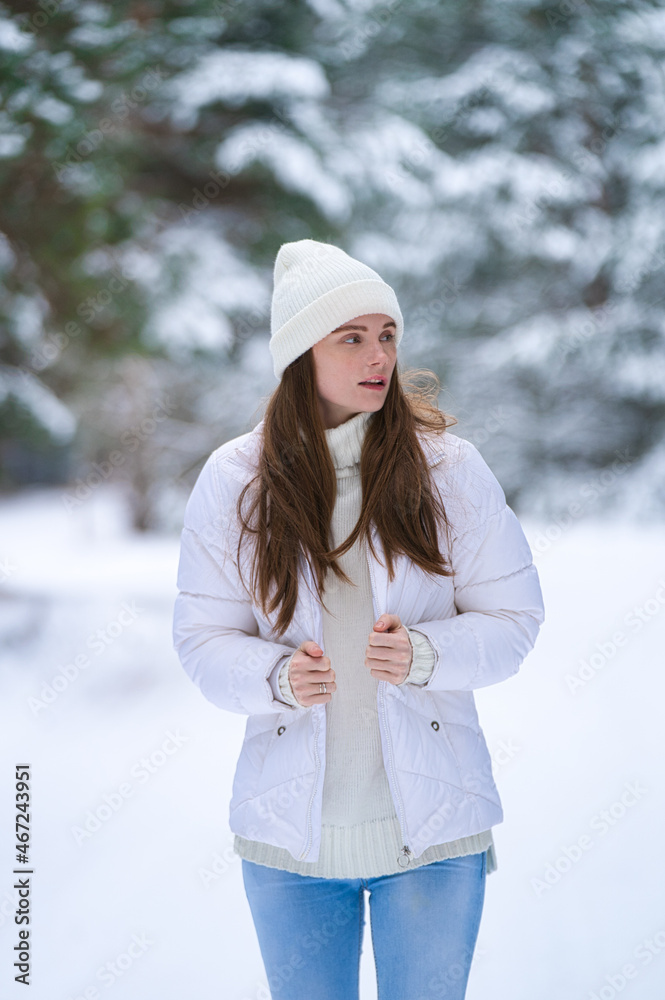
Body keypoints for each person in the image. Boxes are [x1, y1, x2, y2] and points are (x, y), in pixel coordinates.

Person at [172, 238, 545, 1000]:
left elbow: (513, 619)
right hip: (290, 853)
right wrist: (274, 676)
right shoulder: (235, 480)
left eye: (387, 335)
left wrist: (426, 655)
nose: (378, 355)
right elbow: (202, 639)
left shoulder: (449, 469)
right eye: (351, 337)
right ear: (299, 353)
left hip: (435, 839)